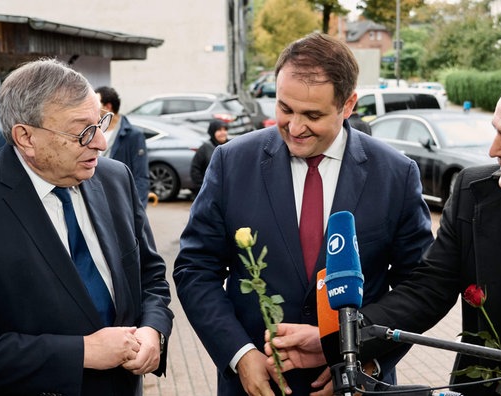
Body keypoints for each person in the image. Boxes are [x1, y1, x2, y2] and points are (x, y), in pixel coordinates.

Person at [269, 68, 501, 395]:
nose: (492, 150)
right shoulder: (474, 192)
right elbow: (428, 289)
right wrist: (339, 340)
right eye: (496, 131)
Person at [173, 32, 434, 396]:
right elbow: (195, 269)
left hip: (357, 386)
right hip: (256, 383)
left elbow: (419, 288)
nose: (294, 128)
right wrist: (239, 354)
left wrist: (366, 360)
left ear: (348, 105)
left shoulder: (395, 173)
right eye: (285, 109)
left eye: (312, 115)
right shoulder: (232, 163)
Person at [0, 59, 174, 395]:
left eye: (101, 123)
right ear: (26, 138)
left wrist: (154, 329)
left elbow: (150, 276)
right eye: (82, 131)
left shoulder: (115, 179)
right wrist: (83, 353)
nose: (100, 142)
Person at [95, 86, 150, 207]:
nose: (92, 107)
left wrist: (137, 211)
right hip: (96, 200)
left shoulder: (133, 136)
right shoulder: (92, 131)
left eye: (96, 103)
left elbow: (141, 177)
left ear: (107, 107)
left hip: (120, 202)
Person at [190, 119, 228, 196]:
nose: (223, 133)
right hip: (210, 191)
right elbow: (195, 170)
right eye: (219, 130)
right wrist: (203, 188)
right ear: (212, 132)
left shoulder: (230, 146)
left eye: (224, 129)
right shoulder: (204, 149)